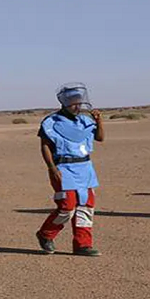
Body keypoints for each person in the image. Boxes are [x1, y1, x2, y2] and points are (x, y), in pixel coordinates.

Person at [35, 83, 105, 256]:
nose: (77, 106)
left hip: (85, 169)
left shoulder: (85, 121)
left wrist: (99, 121)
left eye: (79, 103)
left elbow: (100, 138)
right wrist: (52, 168)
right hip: (63, 168)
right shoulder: (52, 122)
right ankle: (46, 234)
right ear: (65, 102)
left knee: (86, 207)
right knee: (67, 206)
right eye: (73, 103)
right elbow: (45, 146)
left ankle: (83, 245)